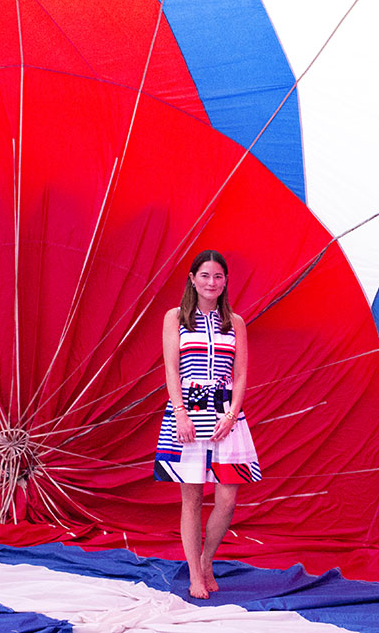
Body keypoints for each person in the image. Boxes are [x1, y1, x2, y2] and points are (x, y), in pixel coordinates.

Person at [154, 249, 261, 599]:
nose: (211, 282)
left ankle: (207, 559)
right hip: (187, 409)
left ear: (225, 281)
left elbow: (242, 373)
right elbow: (171, 369)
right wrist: (180, 412)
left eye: (217, 276)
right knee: (193, 496)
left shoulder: (236, 322)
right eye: (205, 276)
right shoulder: (175, 317)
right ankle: (195, 575)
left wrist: (232, 416)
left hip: (227, 412)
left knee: (228, 496)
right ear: (192, 278)